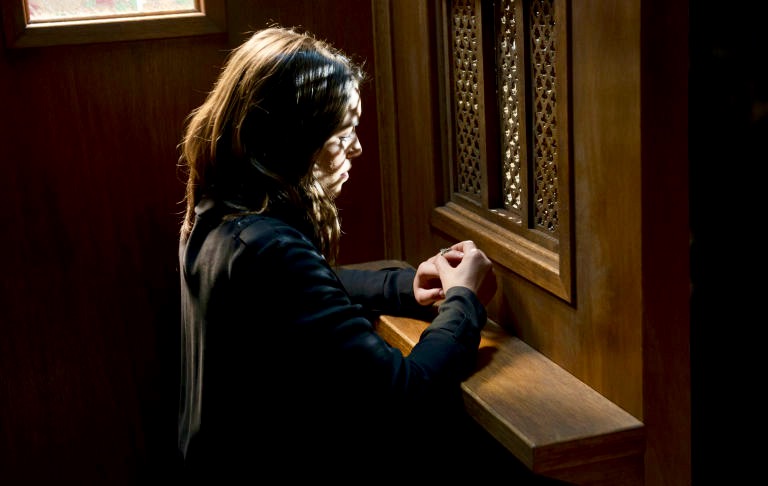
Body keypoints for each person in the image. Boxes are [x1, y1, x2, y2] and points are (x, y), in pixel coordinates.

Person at [176, 25, 497, 482]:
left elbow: (311, 290)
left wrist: (405, 286)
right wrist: (464, 300)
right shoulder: (271, 251)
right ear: (293, 142)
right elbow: (408, 393)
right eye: (344, 134)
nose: (358, 148)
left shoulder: (220, 212)